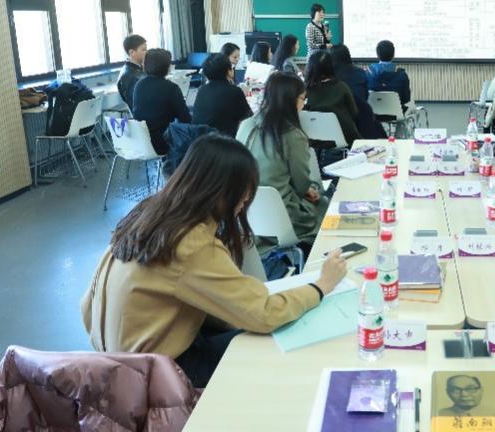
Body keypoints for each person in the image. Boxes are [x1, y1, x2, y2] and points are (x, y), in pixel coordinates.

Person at [81, 134, 348, 388]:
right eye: (245, 190)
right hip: (159, 373)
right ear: (222, 190)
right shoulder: (190, 242)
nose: (247, 200)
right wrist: (321, 286)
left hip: (118, 361)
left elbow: (86, 308)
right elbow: (264, 313)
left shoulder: (148, 213)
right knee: (276, 336)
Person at [240, 73, 328, 245]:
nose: (303, 104)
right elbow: (302, 184)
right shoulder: (292, 135)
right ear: (292, 100)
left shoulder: (246, 125)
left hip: (245, 213)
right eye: (303, 99)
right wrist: (308, 189)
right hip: (281, 214)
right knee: (324, 205)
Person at [130, 48, 190, 156]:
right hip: (162, 143)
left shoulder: (139, 85)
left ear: (145, 65)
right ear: (167, 67)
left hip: (140, 141)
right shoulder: (171, 88)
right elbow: (185, 118)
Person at [303, 50, 361, 144]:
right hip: (344, 139)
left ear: (310, 67)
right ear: (331, 66)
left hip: (314, 140)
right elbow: (354, 113)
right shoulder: (342, 87)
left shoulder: (304, 91)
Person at [193, 54, 252, 138]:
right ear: (228, 71)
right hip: (223, 142)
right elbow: (248, 117)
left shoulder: (202, 90)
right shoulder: (234, 91)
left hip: (199, 141)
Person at [366, 39, 411, 109]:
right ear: (393, 54)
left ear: (377, 54)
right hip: (396, 112)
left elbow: (364, 96)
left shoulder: (367, 73)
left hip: (373, 112)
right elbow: (406, 99)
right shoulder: (402, 75)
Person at [116, 34, 146, 110]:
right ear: (132, 52)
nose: (147, 52)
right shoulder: (128, 76)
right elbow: (136, 104)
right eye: (144, 50)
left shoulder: (140, 69)